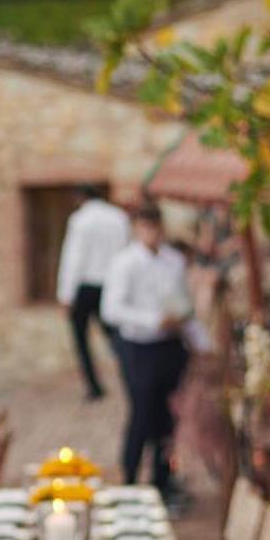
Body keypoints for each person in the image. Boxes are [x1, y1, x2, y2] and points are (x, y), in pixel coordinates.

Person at [101, 203, 193, 499]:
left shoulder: (173, 260)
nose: (151, 233)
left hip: (170, 344)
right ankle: (128, 477)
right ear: (137, 229)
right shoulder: (124, 263)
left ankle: (162, 479)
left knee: (168, 416)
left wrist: (198, 341)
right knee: (141, 412)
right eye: (145, 227)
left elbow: (182, 302)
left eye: (155, 227)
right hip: (138, 347)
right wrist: (153, 320)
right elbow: (112, 310)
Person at [56, 184, 129, 402]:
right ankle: (129, 376)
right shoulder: (118, 217)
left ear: (81, 197)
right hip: (112, 284)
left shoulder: (80, 220)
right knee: (116, 338)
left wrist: (65, 295)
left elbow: (73, 259)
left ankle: (94, 386)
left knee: (81, 340)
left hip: (86, 286)